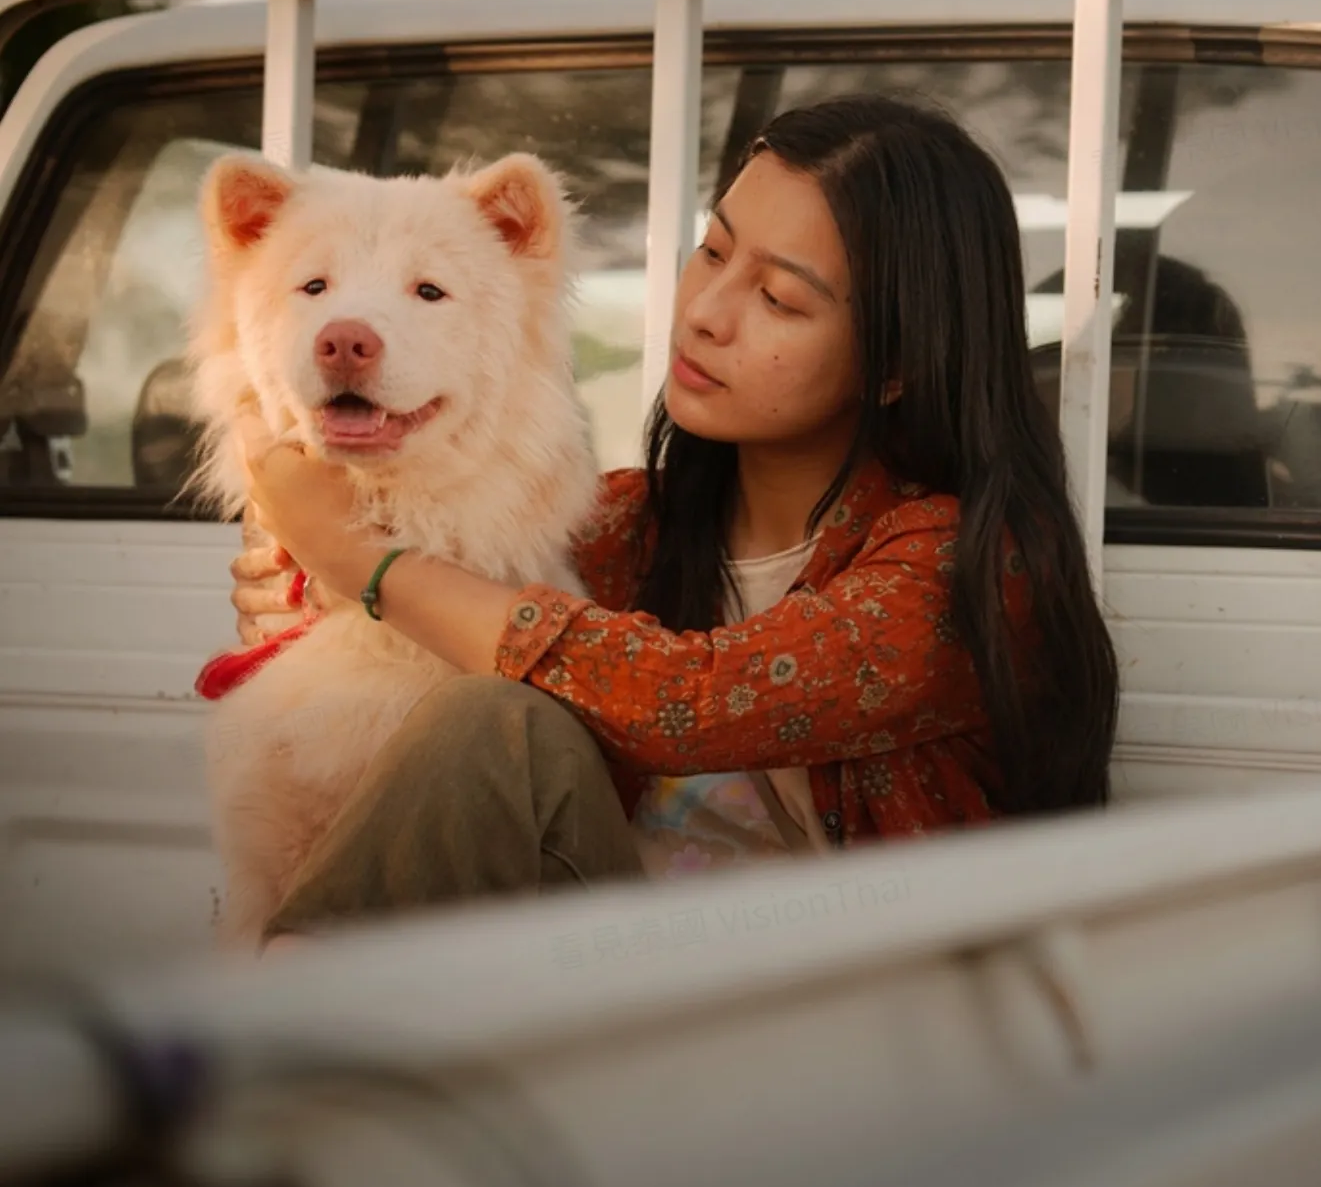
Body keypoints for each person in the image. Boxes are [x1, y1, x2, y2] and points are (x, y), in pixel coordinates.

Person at [228, 93, 1121, 951]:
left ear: (894, 365)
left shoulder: (956, 569)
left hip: (840, 1023)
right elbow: (447, 604)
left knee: (499, 719)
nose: (704, 313)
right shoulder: (623, 523)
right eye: (712, 252)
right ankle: (289, 1016)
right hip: (615, 979)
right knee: (493, 720)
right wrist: (312, 585)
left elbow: (680, 702)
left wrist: (361, 557)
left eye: (778, 299)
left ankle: (279, 1038)